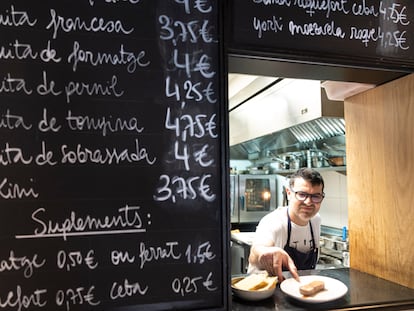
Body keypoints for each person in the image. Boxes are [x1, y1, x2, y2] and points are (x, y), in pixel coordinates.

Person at [248, 167, 325, 281]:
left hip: (298, 288)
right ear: (289, 193)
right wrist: (264, 251)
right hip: (265, 291)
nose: (308, 202)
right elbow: (256, 252)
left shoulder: (315, 220)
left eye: (315, 196)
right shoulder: (274, 221)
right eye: (302, 194)